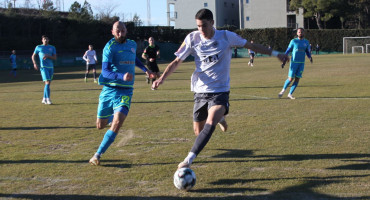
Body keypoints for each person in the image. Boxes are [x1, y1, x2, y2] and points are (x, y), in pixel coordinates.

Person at [152, 9, 287, 170]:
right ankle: (221, 118)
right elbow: (176, 61)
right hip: (200, 91)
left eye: (204, 25)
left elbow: (251, 45)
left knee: (211, 121)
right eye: (198, 26)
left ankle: (188, 160)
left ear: (212, 23)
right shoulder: (192, 38)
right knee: (198, 132)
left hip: (220, 91)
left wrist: (276, 53)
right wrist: (161, 79)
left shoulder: (226, 36)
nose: (201, 29)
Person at [89, 21, 153, 166]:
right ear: (112, 32)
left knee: (118, 123)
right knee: (100, 125)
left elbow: (133, 59)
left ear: (126, 31)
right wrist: (121, 76)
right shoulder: (109, 47)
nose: (120, 33)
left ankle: (97, 155)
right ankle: (111, 116)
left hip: (126, 91)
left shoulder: (132, 44)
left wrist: (146, 70)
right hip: (109, 90)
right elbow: (105, 71)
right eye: (117, 31)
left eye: (123, 30)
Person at [278, 28, 312, 99]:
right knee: (290, 79)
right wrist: (284, 61)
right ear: (297, 33)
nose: (300, 33)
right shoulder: (293, 41)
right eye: (299, 32)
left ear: (304, 33)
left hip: (301, 63)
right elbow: (287, 51)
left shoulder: (306, 42)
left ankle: (290, 94)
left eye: (302, 32)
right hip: (294, 63)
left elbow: (307, 52)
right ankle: (282, 91)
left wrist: (310, 57)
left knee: (297, 79)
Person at [31, 35, 57, 105]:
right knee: (47, 82)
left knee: (48, 84)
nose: (45, 40)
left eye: (47, 39)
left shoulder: (52, 47)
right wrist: (35, 63)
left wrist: (48, 56)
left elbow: (55, 58)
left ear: (49, 40)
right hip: (43, 67)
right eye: (44, 39)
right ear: (42, 40)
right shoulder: (38, 47)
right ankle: (48, 99)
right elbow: (33, 56)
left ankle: (44, 98)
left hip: (51, 68)